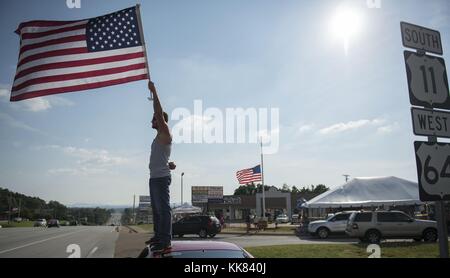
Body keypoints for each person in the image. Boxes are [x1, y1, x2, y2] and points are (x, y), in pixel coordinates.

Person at [145, 81, 176, 253]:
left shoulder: (166, 132)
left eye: (154, 119)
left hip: (160, 178)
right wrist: (169, 164)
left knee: (164, 209)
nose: (151, 121)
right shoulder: (160, 137)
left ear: (160, 120)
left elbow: (157, 111)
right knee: (157, 210)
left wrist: (154, 91)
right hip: (155, 177)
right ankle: (159, 237)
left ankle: (165, 241)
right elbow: (162, 155)